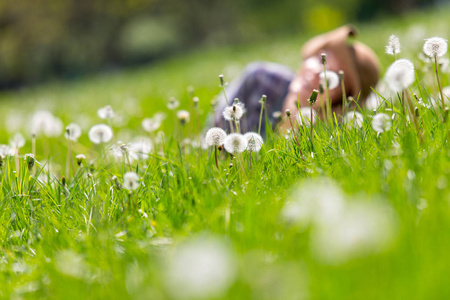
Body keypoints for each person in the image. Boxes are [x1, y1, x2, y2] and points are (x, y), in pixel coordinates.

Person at [213, 25, 380, 135]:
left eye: (330, 75)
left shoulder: (329, 142)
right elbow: (209, 145)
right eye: (321, 58)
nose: (315, 71)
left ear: (340, 101)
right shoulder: (260, 81)